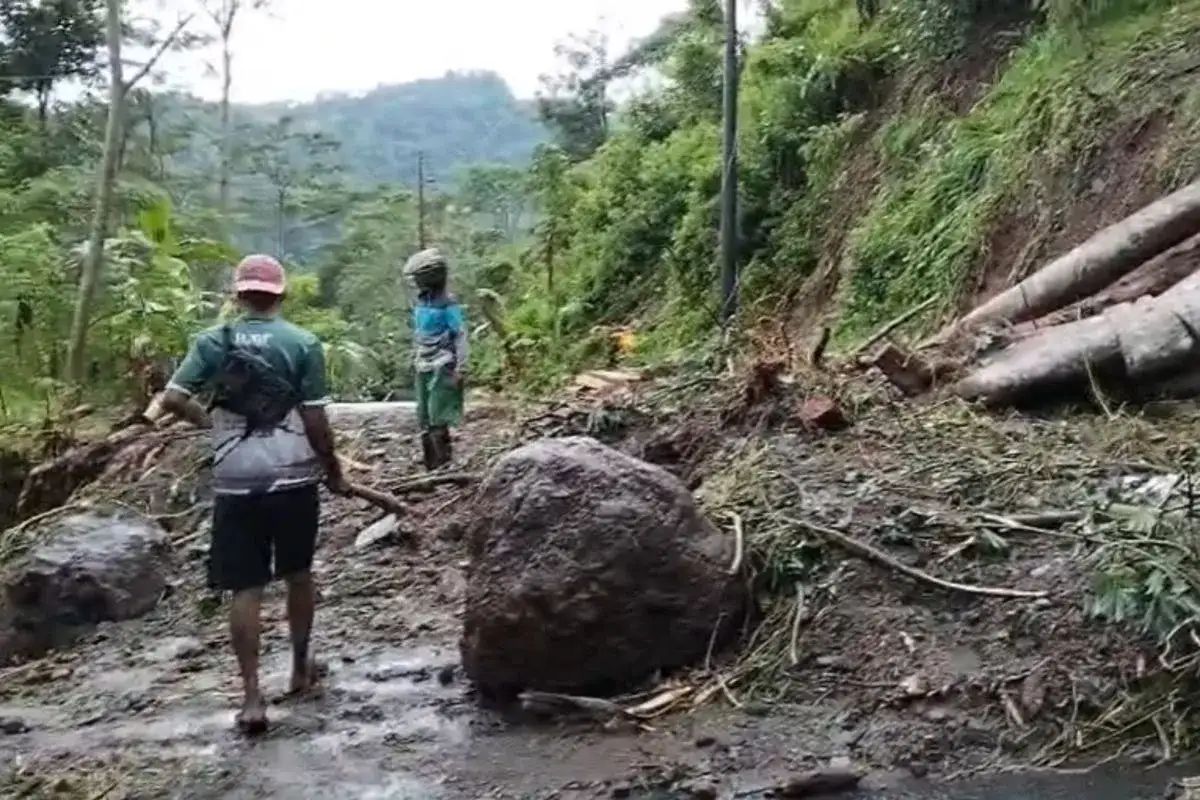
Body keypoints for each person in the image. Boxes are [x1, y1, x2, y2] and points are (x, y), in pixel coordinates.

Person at [161, 254, 350, 735]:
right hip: (293, 475)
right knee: (298, 574)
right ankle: (300, 669)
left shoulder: (211, 342)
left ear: (238, 294)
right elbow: (314, 419)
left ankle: (251, 698)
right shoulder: (303, 343)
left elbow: (173, 398)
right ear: (281, 294)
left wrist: (211, 428)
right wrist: (333, 469)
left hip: (235, 479)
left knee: (246, 586)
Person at [404, 248, 468, 470]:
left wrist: (462, 366)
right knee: (423, 415)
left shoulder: (447, 303)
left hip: (443, 363)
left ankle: (443, 466)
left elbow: (459, 334)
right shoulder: (422, 302)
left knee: (438, 416)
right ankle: (430, 466)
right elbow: (419, 333)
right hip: (423, 362)